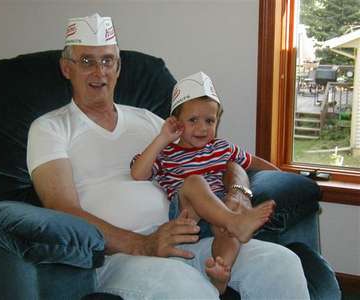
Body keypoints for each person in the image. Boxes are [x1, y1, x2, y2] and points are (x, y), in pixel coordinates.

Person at [27, 12, 310, 299]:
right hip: (116, 256)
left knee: (281, 263)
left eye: (107, 60)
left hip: (186, 236)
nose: (100, 72)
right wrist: (143, 244)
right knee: (186, 288)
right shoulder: (50, 127)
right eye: (87, 61)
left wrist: (238, 193)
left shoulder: (151, 121)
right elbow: (61, 207)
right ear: (66, 68)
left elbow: (217, 156)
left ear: (118, 66)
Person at [130, 71, 276, 294]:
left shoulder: (221, 148)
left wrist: (281, 174)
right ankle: (235, 221)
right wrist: (162, 138)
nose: (202, 128)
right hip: (187, 212)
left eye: (210, 121)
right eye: (193, 120)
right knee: (195, 182)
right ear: (176, 122)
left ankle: (220, 272)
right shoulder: (166, 152)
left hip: (218, 212)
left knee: (228, 225)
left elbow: (252, 161)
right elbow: (138, 174)